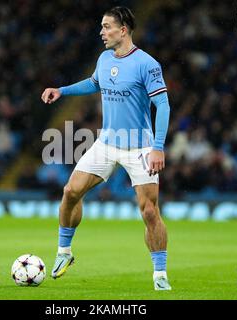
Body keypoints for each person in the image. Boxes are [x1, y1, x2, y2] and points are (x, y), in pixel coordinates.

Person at [41, 6, 172, 290]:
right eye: (102, 27)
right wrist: (61, 90)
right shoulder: (103, 58)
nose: (101, 32)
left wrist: (158, 147)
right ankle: (64, 252)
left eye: (107, 26)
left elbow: (162, 104)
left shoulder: (146, 64)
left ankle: (159, 274)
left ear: (123, 30)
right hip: (107, 143)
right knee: (70, 191)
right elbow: (93, 83)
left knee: (149, 211)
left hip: (140, 146)